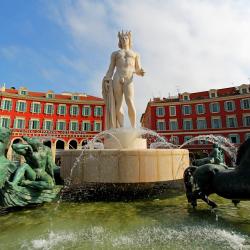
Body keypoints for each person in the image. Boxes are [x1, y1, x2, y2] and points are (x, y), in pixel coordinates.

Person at [102, 31, 145, 129]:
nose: (124, 40)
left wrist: (141, 72)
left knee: (130, 101)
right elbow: (111, 68)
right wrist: (108, 79)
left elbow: (137, 69)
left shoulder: (135, 54)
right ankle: (121, 127)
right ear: (119, 41)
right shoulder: (115, 54)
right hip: (117, 77)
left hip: (129, 78)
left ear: (129, 40)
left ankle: (133, 128)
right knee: (118, 103)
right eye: (122, 39)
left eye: (126, 38)